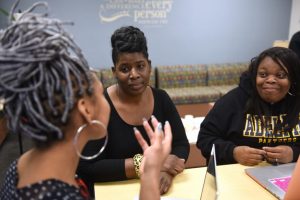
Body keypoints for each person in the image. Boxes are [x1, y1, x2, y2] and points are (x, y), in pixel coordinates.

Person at [0, 2, 172, 200]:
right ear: (86, 110)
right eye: (99, 94)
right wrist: (149, 174)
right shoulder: (61, 195)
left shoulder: (20, 165)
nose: (107, 97)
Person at [77, 26, 190, 195]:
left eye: (140, 66)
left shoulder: (162, 98)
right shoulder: (102, 106)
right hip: (112, 192)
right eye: (125, 69)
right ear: (114, 71)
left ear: (149, 66)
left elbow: (181, 144)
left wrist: (166, 171)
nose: (134, 74)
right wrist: (147, 164)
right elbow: (89, 166)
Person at [197, 47, 300, 166]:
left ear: (293, 79)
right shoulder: (233, 101)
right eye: (263, 74)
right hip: (238, 174)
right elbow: (205, 139)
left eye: (281, 75)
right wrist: (233, 153)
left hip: (290, 176)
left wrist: (294, 153)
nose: (271, 80)